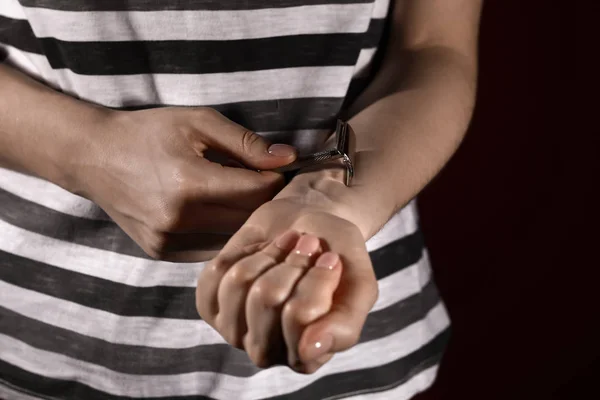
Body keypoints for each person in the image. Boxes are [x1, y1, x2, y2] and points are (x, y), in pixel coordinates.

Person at [0, 0, 482, 399]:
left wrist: (329, 199)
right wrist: (84, 151)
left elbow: (432, 47)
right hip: (39, 344)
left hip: (348, 340)